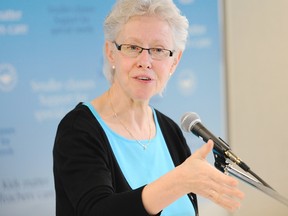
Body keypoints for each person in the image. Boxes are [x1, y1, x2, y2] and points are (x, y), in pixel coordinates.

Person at [53, 0, 244, 215]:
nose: (145, 61)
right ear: (110, 52)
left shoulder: (170, 131)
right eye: (133, 47)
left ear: (174, 62)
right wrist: (178, 181)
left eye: (158, 49)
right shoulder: (78, 130)